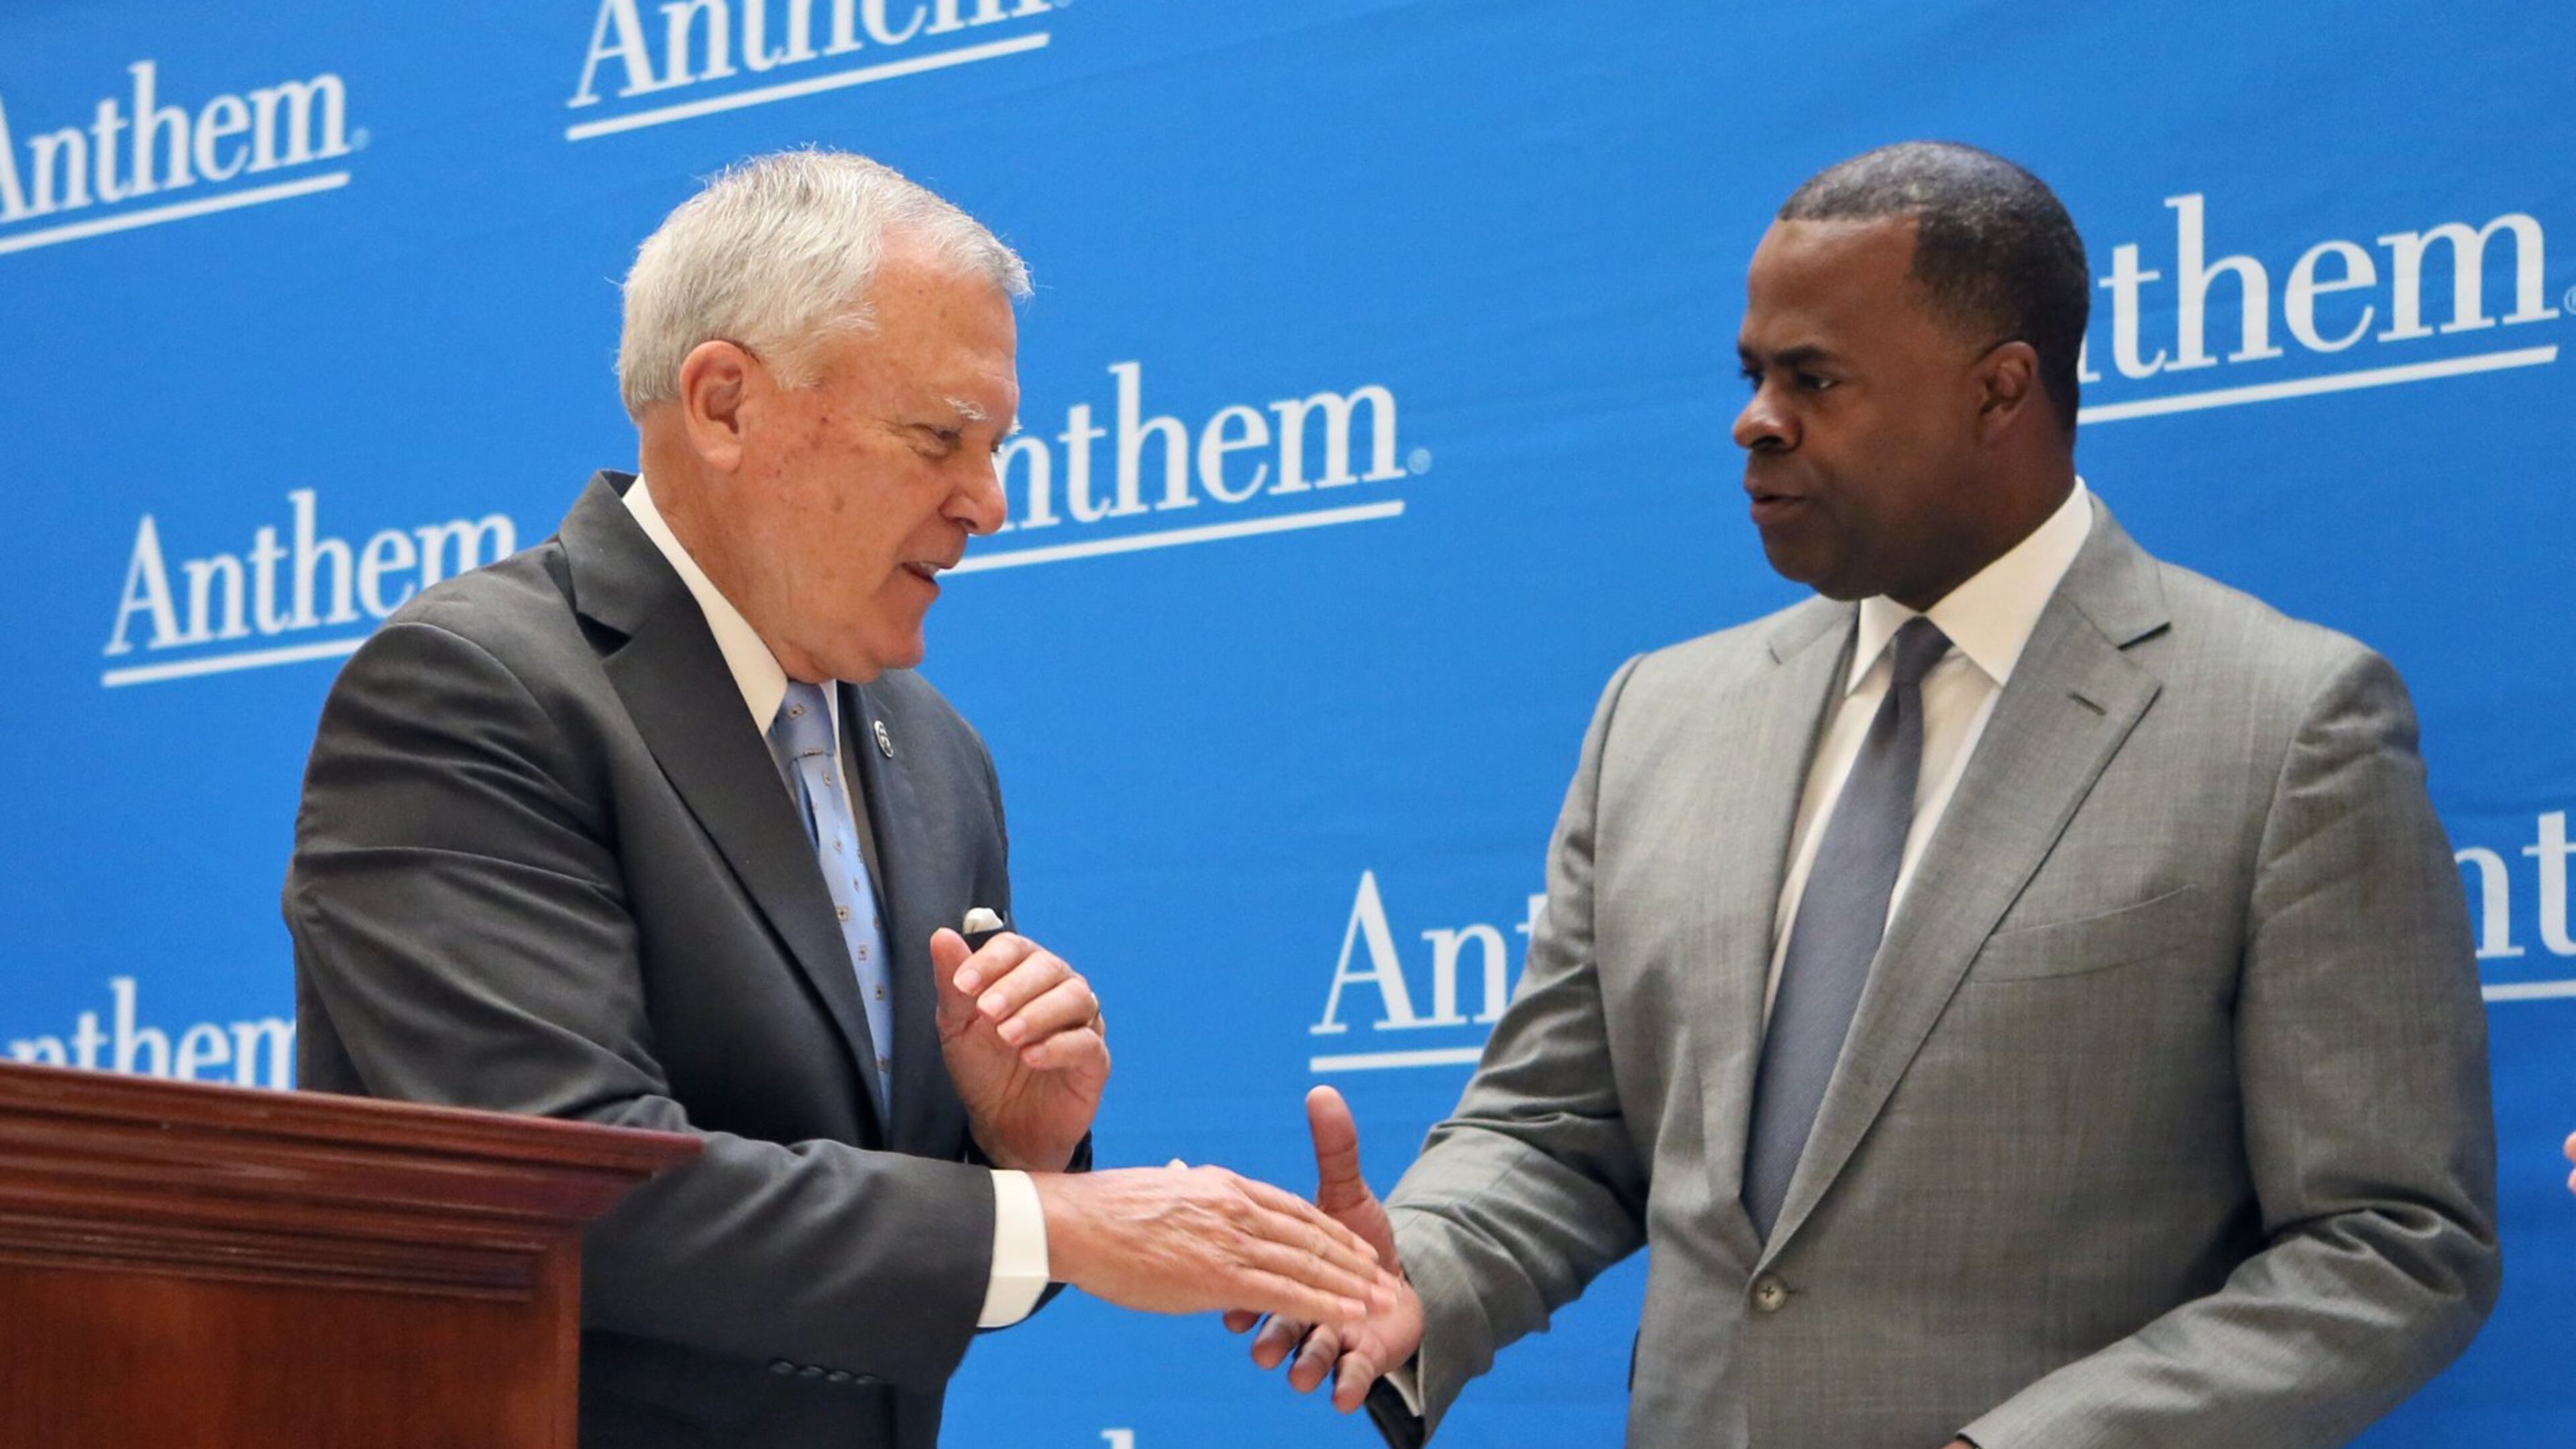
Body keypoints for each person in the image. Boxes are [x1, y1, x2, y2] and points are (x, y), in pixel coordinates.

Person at [1238, 142, 2500, 1448]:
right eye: (1753, 375)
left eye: (1814, 379)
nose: (1755, 419)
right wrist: (1417, 1273)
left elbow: (2392, 1243)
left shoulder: (2287, 723)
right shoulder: (1657, 717)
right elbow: (1565, 1130)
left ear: (2000, 391)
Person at [285, 149, 1390, 1449]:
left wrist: (1018, 1151)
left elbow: (890, 1287)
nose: (991, 502)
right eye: (940, 438)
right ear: (724, 405)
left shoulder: (938, 755)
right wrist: (1058, 1225)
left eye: (998, 447)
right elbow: (575, 1191)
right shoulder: (473, 693)